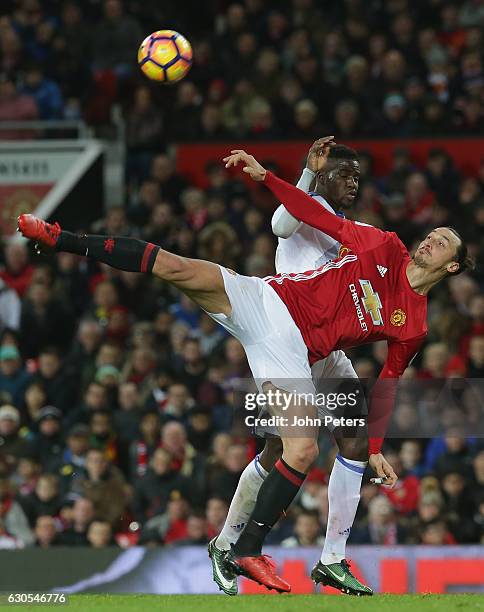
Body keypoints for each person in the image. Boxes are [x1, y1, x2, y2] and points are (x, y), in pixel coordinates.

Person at [17, 142, 474, 591]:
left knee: (316, 446)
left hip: (304, 351)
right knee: (174, 267)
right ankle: (61, 238)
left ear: (452, 267)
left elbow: (391, 381)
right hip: (269, 302)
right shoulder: (384, 244)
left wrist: (376, 445)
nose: (431, 238)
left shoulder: (412, 325)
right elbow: (310, 216)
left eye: (443, 243)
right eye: (434, 233)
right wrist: (269, 178)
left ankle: (317, 556)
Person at [209, 139, 382, 596]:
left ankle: (332, 559)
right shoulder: (308, 209)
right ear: (324, 177)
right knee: (279, 452)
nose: (354, 182)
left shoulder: (348, 228)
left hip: (323, 350)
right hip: (285, 343)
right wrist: (305, 176)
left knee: (355, 438)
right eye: (346, 174)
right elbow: (280, 221)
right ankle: (226, 543)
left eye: (358, 177)